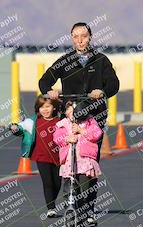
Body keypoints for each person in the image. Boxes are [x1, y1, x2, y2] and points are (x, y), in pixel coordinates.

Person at [39, 21, 119, 162]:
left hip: (95, 113)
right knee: (68, 156)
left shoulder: (101, 60)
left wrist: (102, 92)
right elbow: (44, 81)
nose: (80, 40)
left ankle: (89, 182)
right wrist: (49, 91)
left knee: (91, 156)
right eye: (76, 37)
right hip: (70, 114)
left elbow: (114, 84)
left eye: (84, 36)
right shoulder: (65, 61)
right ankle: (69, 181)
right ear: (72, 38)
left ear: (90, 37)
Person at [8, 95, 61, 218]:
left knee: (57, 183)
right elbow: (20, 128)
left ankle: (52, 201)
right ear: (38, 108)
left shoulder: (60, 121)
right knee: (47, 182)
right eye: (42, 107)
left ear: (54, 107)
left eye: (48, 106)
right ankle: (51, 208)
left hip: (59, 157)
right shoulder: (32, 121)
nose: (45, 109)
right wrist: (14, 128)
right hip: (41, 157)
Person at [53, 100, 102, 226]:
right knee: (69, 191)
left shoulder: (89, 122)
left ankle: (86, 215)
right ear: (65, 113)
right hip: (69, 164)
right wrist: (66, 138)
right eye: (69, 110)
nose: (72, 113)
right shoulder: (62, 124)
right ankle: (71, 213)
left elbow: (97, 134)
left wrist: (81, 131)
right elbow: (56, 138)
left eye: (74, 110)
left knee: (84, 191)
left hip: (84, 163)